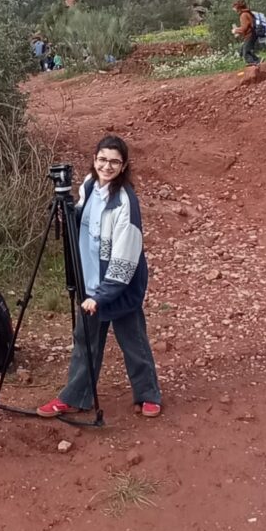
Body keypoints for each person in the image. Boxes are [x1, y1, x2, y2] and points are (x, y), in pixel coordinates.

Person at [37, 135, 162, 419]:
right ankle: (75, 397)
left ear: (123, 165)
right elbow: (85, 220)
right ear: (94, 160)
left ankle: (148, 394)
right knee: (85, 342)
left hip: (119, 288)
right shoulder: (89, 186)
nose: (107, 166)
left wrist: (102, 295)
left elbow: (126, 255)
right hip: (90, 282)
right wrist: (68, 214)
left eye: (114, 162)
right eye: (102, 160)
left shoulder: (125, 202)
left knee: (133, 342)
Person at [231, 0, 260, 66]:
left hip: (249, 35)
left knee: (246, 53)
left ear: (238, 7)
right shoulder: (247, 13)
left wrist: (235, 30)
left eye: (234, 7)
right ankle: (258, 60)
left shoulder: (243, 15)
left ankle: (253, 66)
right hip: (252, 34)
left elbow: (244, 28)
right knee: (245, 50)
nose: (234, 9)